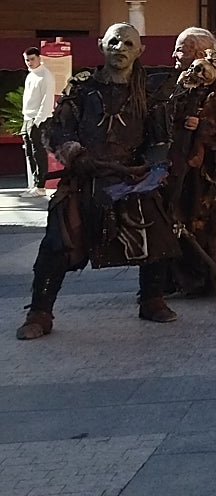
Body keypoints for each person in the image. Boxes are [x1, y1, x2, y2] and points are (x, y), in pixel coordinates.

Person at [17, 23, 180, 340]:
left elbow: (160, 138)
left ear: (139, 51)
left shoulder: (149, 92)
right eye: (114, 41)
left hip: (131, 179)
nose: (121, 48)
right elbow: (58, 131)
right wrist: (78, 156)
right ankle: (40, 313)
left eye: (128, 43)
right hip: (85, 179)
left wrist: (148, 167)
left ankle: (152, 300)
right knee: (57, 243)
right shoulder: (81, 89)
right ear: (101, 46)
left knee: (157, 236)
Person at [166, 27, 216, 296]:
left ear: (199, 53)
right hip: (180, 167)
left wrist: (202, 126)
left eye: (181, 49)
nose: (174, 55)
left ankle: (208, 278)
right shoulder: (182, 81)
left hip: (206, 172)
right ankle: (180, 279)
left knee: (205, 220)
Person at [20, 47, 54, 197]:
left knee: (38, 152)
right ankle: (34, 184)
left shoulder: (46, 76)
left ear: (39, 58)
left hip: (38, 119)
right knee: (29, 152)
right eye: (27, 60)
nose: (29, 63)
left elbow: (47, 101)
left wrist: (38, 121)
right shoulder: (30, 76)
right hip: (27, 118)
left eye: (32, 59)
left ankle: (41, 186)